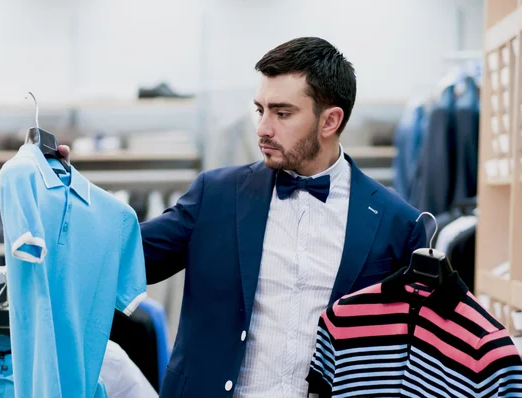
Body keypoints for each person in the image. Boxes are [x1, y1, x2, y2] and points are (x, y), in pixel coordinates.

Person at [58, 37, 427, 398]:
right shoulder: (216, 196)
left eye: (282, 113)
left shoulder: (397, 224)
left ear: (330, 121)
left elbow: (414, 356)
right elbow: (120, 254)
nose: (263, 128)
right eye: (260, 109)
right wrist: (63, 197)